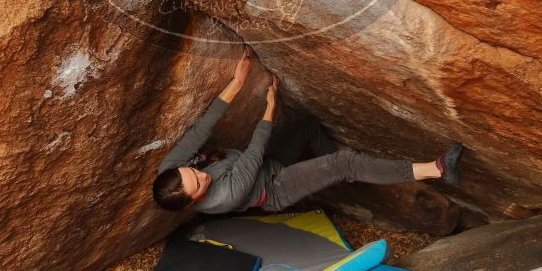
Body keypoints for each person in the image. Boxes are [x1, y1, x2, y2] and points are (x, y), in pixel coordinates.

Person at [152, 47, 464, 214]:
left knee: (306, 126)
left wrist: (237, 83)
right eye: (199, 184)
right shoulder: (223, 196)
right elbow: (254, 151)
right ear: (194, 201)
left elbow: (201, 128)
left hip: (269, 163)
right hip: (275, 188)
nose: (202, 175)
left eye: (193, 172)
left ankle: (353, 174)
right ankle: (436, 171)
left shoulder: (169, 172)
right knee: (343, 162)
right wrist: (269, 107)